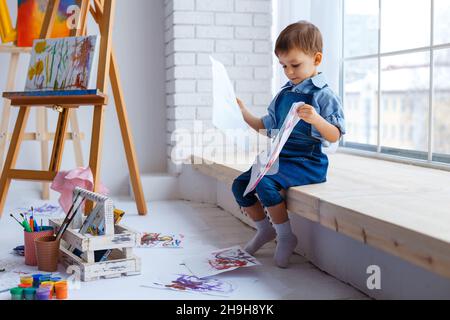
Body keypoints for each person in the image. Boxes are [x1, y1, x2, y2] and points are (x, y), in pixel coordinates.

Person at [232, 21, 346, 268]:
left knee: (264, 183)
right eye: (284, 66)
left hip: (308, 162)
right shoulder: (284, 94)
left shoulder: (324, 95)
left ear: (316, 59)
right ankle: (265, 230)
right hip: (281, 158)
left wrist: (316, 118)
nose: (289, 71)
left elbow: (335, 135)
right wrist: (243, 112)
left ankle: (285, 236)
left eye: (295, 64)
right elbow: (266, 127)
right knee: (240, 185)